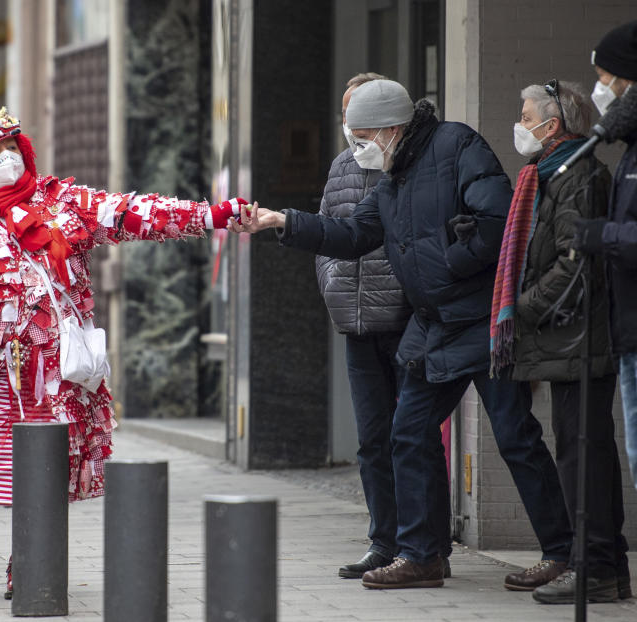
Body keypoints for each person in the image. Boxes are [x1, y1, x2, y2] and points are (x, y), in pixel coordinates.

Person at [0, 107, 247, 601]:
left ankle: (27, 560)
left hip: (52, 371)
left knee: (42, 468)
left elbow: (133, 213)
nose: (4, 159)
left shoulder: (65, 203)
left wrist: (213, 216)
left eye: (10, 149)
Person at [230, 79, 572, 590]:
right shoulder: (392, 179)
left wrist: (449, 262)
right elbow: (351, 234)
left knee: (515, 436)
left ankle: (560, 553)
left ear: (392, 128)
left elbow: (497, 220)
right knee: (407, 433)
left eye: (366, 137)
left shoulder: (457, 146)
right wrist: (283, 221)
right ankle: (421, 554)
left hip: (480, 322)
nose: (360, 149)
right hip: (433, 326)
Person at [492, 79, 629, 605]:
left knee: (583, 454)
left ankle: (594, 566)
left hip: (581, 336)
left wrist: (519, 307)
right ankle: (600, 565)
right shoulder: (549, 176)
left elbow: (575, 266)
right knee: (578, 450)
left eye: (526, 117)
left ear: (552, 125)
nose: (520, 126)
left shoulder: (579, 176)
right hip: (568, 338)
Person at [280, 71, 411, 579]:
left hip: (403, 319)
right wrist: (334, 286)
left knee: (412, 435)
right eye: (344, 114)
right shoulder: (341, 166)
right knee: (372, 438)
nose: (349, 126)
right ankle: (383, 541)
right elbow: (326, 231)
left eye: (357, 115)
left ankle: (421, 541)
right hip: (357, 324)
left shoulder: (406, 165)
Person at [571, 20, 637, 622]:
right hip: (636, 332)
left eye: (605, 78)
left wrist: (606, 237)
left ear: (634, 80)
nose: (599, 90)